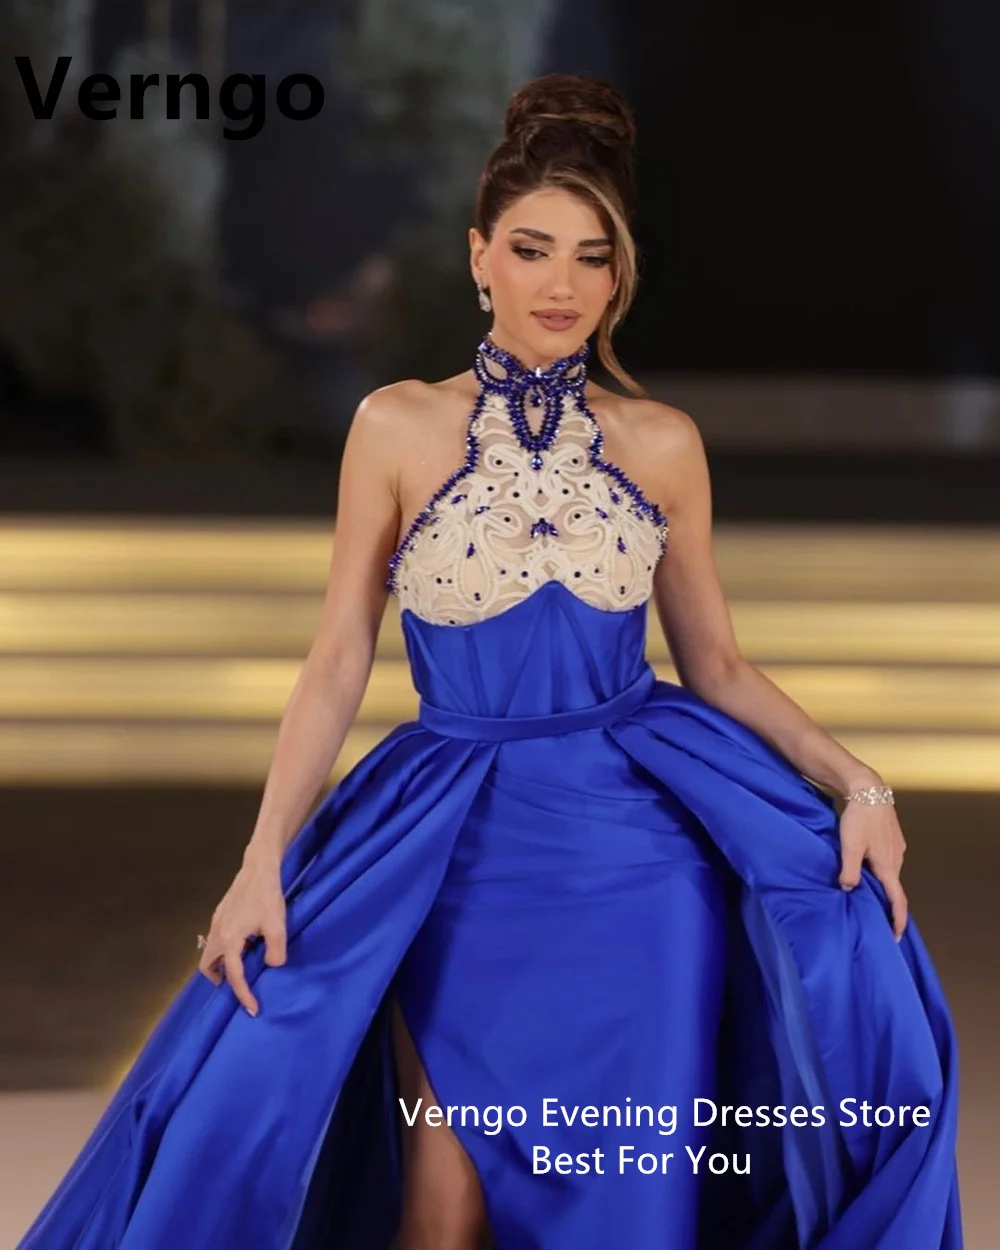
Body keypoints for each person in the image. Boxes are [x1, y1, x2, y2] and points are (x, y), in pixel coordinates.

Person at [19, 73, 962, 1250]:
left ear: (619, 277)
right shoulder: (396, 424)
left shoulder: (662, 443)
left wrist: (859, 783)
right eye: (531, 249)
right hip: (454, 839)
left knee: (625, 1189)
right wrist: (260, 862)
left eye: (591, 257)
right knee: (441, 1201)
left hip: (641, 852)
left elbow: (716, 663)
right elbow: (336, 658)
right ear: (479, 258)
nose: (561, 284)